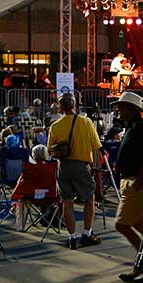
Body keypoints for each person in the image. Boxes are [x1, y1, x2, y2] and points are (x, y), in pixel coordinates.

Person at [114, 92, 143, 283]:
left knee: (122, 224)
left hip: (139, 183)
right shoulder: (135, 127)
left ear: (132, 110)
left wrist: (139, 180)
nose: (118, 110)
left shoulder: (140, 128)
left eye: (122, 107)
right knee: (139, 225)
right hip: (135, 181)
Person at [48, 93, 102, 249]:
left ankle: (72, 237)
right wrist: (96, 167)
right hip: (81, 165)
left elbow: (50, 150)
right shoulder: (86, 122)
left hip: (63, 166)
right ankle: (87, 233)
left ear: (60, 106)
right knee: (89, 199)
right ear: (75, 105)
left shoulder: (55, 125)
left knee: (67, 202)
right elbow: (96, 147)